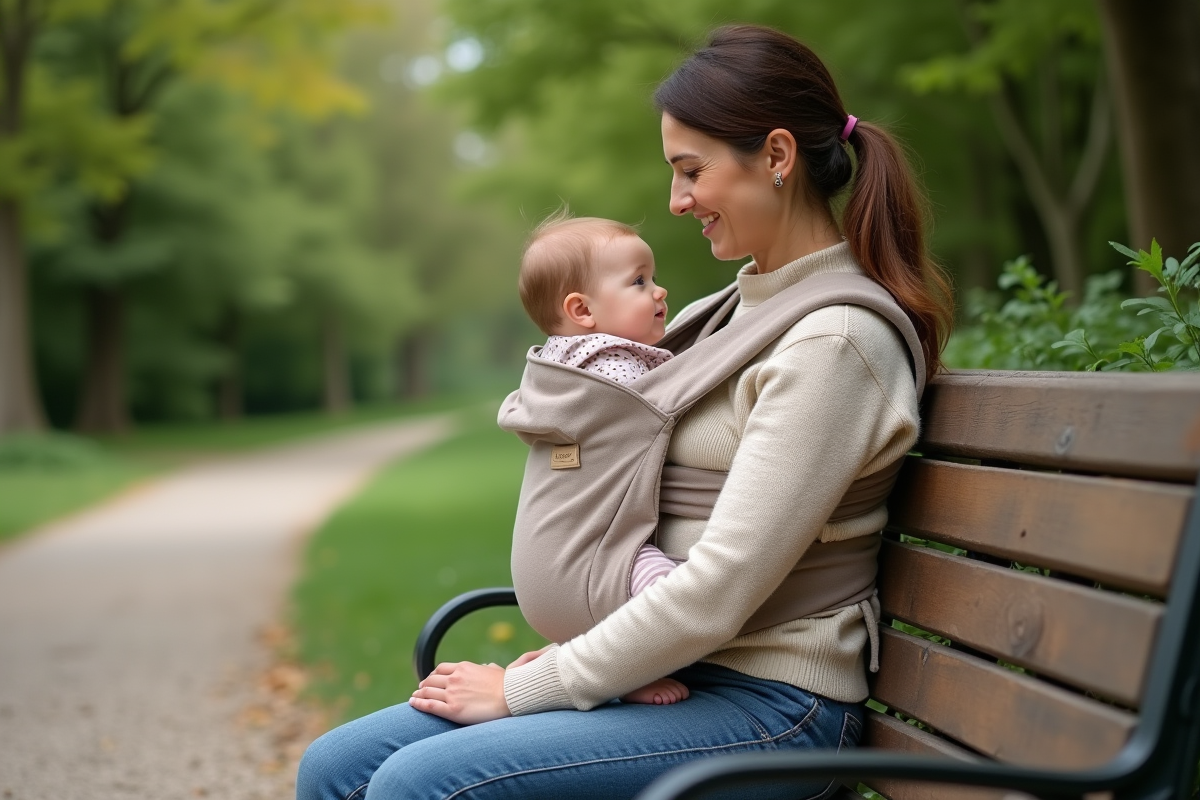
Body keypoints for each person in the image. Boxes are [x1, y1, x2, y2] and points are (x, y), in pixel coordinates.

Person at [296, 23, 953, 800]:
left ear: (777, 156)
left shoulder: (835, 342)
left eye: (691, 171)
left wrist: (530, 688)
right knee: (334, 768)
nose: (676, 201)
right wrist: (583, 656)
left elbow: (716, 592)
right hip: (669, 669)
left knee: (422, 784)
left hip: (773, 704)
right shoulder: (723, 315)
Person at [516, 208, 688, 705]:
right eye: (639, 281)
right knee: (671, 591)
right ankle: (628, 672)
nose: (659, 291)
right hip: (599, 561)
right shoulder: (618, 372)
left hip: (543, 575)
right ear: (583, 310)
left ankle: (589, 657)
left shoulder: (557, 372)